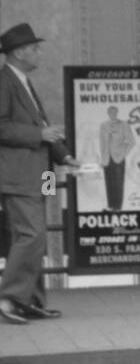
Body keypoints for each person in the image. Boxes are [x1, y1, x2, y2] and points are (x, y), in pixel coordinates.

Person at [0, 23, 79, 324]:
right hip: (19, 175)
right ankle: (10, 298)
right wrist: (40, 133)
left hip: (41, 174)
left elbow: (44, 130)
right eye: (34, 48)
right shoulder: (5, 82)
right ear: (19, 52)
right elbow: (4, 126)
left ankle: (29, 300)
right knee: (30, 235)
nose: (39, 52)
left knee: (38, 237)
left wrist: (67, 157)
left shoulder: (23, 83)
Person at [99, 105, 135, 211]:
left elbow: (131, 142)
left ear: (117, 113)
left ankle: (118, 208)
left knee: (118, 183)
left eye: (114, 112)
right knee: (109, 182)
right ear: (108, 113)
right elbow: (102, 143)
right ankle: (110, 206)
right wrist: (103, 158)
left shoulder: (124, 125)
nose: (112, 114)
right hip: (107, 158)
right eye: (110, 112)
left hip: (118, 158)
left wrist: (122, 154)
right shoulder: (104, 125)